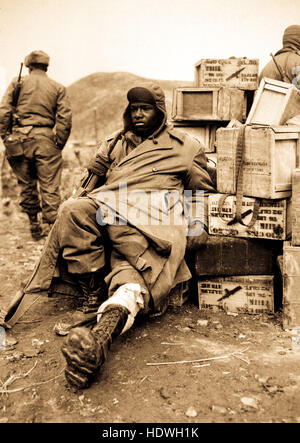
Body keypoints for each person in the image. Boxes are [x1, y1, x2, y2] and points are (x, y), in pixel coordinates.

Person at [3, 82, 216, 390]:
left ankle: (101, 336)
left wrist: (197, 224)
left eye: (146, 109)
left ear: (161, 112)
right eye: (134, 109)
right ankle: (91, 294)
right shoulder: (114, 144)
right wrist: (96, 169)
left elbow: (199, 191)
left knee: (133, 275)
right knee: (72, 209)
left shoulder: (185, 146)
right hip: (110, 210)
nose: (139, 115)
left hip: (152, 220)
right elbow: (89, 190)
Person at [0, 50, 72, 240]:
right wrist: (58, 142)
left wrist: (5, 136)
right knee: (50, 186)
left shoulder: (18, 83)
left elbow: (4, 110)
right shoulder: (58, 87)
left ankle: (34, 225)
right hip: (47, 139)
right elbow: (65, 119)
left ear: (29, 65)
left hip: (19, 140)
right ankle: (51, 231)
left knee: (26, 184)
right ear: (46, 66)